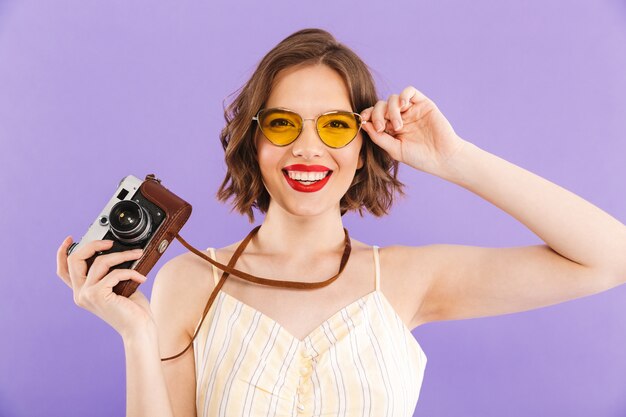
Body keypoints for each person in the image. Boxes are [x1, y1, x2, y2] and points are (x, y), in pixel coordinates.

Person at [55, 28, 626, 417]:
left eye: (332, 126)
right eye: (282, 124)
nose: (307, 149)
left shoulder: (406, 280)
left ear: (363, 144)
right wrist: (135, 333)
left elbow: (611, 256)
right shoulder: (190, 282)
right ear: (253, 142)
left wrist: (456, 160)